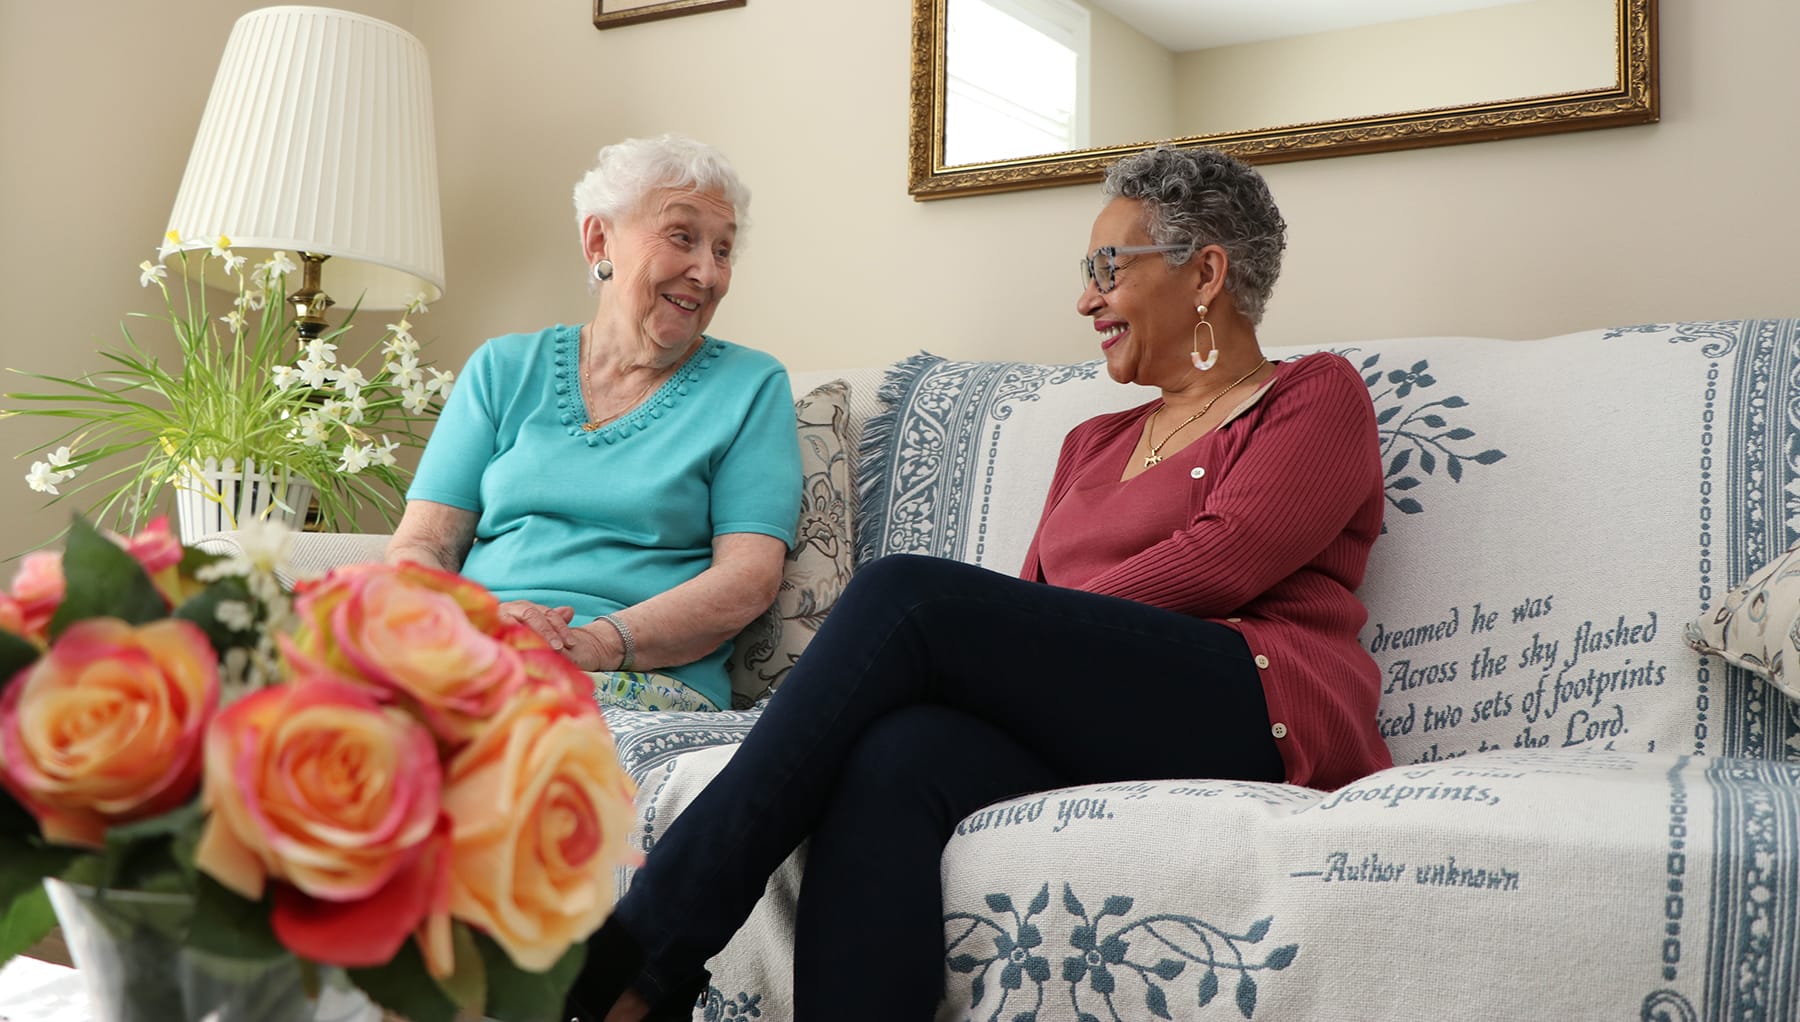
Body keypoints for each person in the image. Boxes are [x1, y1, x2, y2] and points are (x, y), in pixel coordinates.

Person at [566, 145, 1392, 1021]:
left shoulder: (1310, 395)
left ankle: (644, 955)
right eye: (1086, 273)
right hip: (1104, 718)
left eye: (1107, 267)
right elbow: (1032, 636)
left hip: (1254, 702)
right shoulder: (1093, 446)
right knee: (895, 758)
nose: (1086, 298)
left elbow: (1224, 559)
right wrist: (1015, 639)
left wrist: (1020, 628)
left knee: (906, 597)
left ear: (1206, 273)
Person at [386, 135, 800, 714]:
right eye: (683, 237)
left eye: (723, 251)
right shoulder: (503, 368)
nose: (707, 272)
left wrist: (596, 643)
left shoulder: (749, 386)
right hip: (474, 648)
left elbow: (748, 578)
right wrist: (479, 621)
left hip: (639, 673)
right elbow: (421, 545)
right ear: (599, 239)